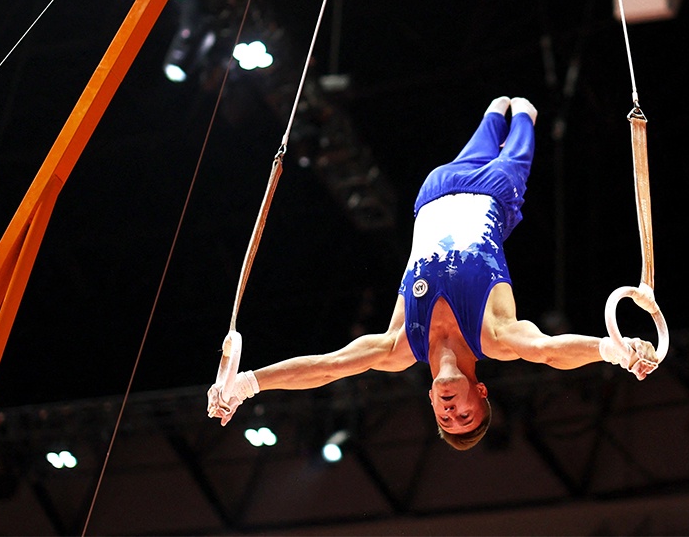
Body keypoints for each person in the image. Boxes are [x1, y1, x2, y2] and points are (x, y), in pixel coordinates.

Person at [207, 96, 660, 450]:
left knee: (489, 120)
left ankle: (495, 113)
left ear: (429, 401)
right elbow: (548, 350)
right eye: (464, 415)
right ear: (480, 393)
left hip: (435, 191)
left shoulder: (401, 344)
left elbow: (327, 369)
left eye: (444, 419)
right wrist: (614, 350)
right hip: (494, 195)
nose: (451, 412)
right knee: (521, 125)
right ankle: (523, 114)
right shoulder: (495, 338)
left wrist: (247, 383)